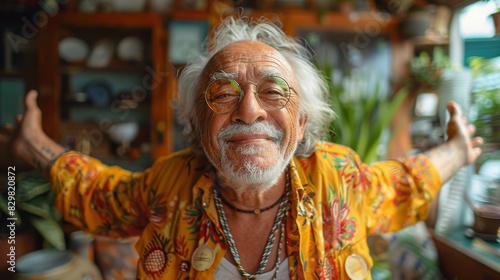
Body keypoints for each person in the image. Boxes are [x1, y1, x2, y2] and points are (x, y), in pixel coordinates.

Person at [1, 16, 483, 280]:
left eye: (274, 93)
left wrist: (459, 150)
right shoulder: (167, 186)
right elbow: (100, 191)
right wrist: (34, 145)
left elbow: (405, 180)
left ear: (302, 119)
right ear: (197, 121)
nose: (250, 111)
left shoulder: (341, 179)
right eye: (224, 93)